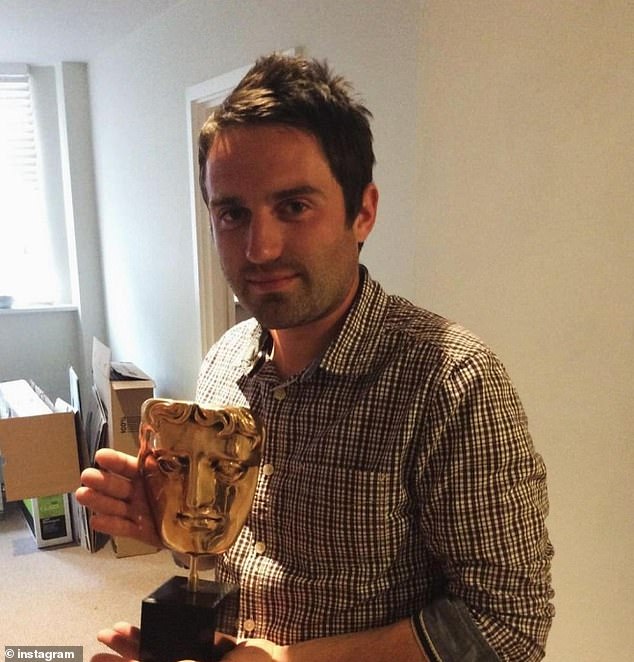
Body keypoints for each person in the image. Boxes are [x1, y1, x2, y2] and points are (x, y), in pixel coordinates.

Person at [76, 52, 554, 662]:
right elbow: (245, 567)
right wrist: (177, 530)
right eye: (232, 213)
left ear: (364, 212)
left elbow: (507, 626)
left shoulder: (453, 383)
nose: (261, 246)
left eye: (294, 206)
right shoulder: (225, 362)